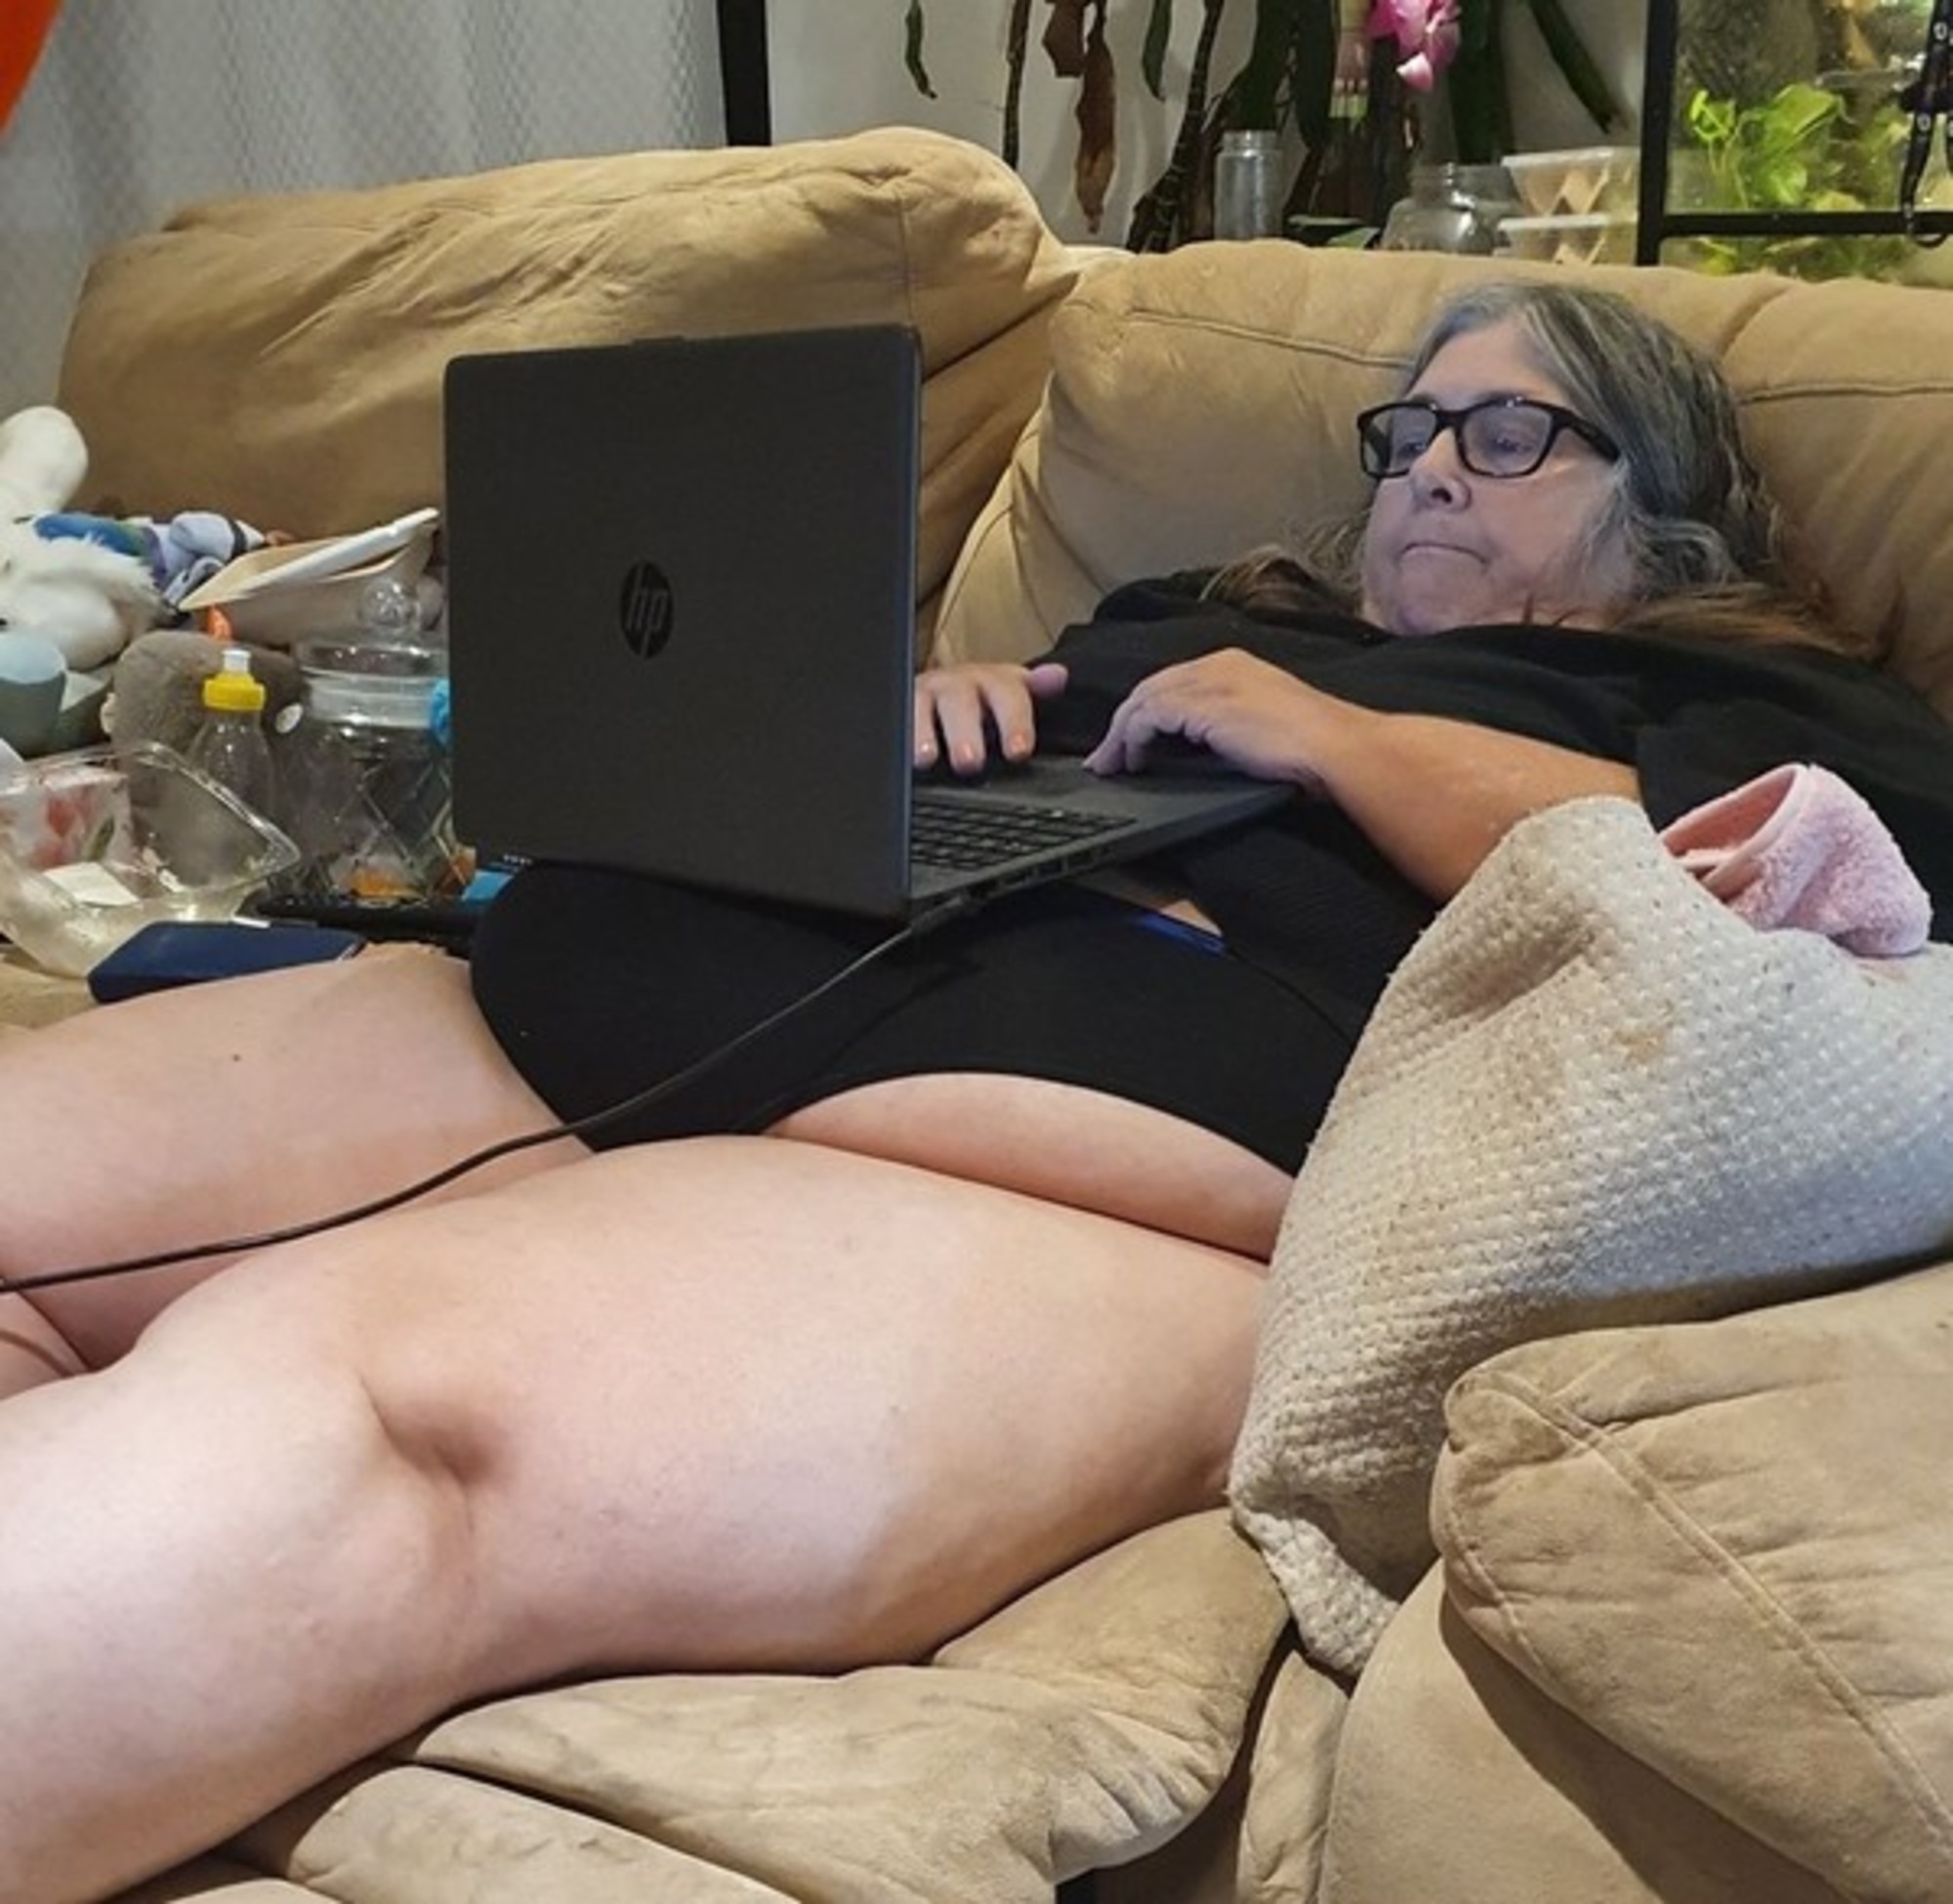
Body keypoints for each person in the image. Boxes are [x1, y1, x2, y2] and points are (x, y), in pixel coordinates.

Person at [6, 278, 1953, 1904]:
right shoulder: (1210, 610)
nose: (1432, 465)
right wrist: (937, 709)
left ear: (1664, 503)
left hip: (1048, 1138)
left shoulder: (1744, 692)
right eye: (1411, 430)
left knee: (368, 1420)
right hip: (589, 979)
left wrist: (1326, 737)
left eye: (1509, 434)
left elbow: (1784, 893)